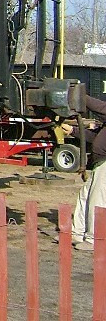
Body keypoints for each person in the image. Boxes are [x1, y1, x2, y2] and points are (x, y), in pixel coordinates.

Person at [60, 95, 106, 251]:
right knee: (85, 196)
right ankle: (77, 233)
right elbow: (94, 137)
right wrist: (73, 130)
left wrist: (79, 96)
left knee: (97, 200)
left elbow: (101, 108)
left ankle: (94, 239)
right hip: (99, 163)